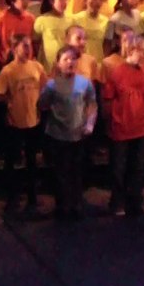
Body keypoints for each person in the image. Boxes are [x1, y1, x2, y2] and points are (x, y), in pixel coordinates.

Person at [38, 46, 97, 220]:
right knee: (60, 173)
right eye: (66, 59)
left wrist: (90, 124)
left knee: (76, 172)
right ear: (58, 63)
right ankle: (62, 205)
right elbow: (42, 105)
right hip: (57, 136)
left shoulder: (84, 83)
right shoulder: (51, 85)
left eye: (73, 59)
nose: (70, 62)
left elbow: (92, 104)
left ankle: (76, 204)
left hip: (78, 135)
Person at [0, 35, 45, 214]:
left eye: (30, 46)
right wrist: (10, 100)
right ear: (15, 49)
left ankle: (32, 197)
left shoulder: (37, 67)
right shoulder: (8, 71)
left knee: (32, 160)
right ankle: (12, 197)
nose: (28, 50)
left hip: (33, 120)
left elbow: (45, 88)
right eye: (24, 46)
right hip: (15, 121)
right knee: (12, 161)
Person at [102, 36, 144, 217]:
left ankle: (136, 200)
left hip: (141, 125)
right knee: (119, 167)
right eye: (141, 51)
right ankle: (117, 202)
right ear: (131, 50)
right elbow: (108, 99)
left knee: (138, 166)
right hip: (121, 125)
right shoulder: (117, 72)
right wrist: (110, 122)